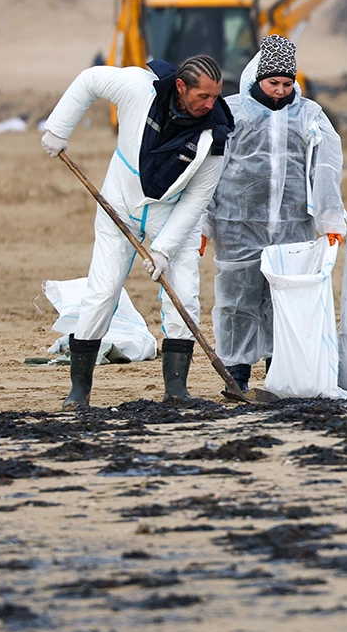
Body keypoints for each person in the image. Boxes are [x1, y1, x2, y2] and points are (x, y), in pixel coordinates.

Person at [40, 54, 234, 407]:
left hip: (172, 213)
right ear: (180, 86)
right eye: (202, 96)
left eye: (215, 96)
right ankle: (79, 389)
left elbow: (197, 200)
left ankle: (176, 391)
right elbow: (89, 80)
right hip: (120, 205)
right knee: (103, 291)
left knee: (184, 297)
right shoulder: (137, 88)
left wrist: (164, 250)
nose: (211, 104)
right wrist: (59, 129)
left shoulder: (216, 136)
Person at [205, 35, 345, 393]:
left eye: (287, 83)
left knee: (284, 299)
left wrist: (330, 219)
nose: (281, 90)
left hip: (293, 224)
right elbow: (208, 172)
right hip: (236, 224)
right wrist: (202, 223)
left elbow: (326, 167)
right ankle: (235, 374)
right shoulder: (231, 112)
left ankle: (278, 370)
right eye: (273, 83)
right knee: (238, 298)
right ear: (258, 79)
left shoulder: (310, 114)